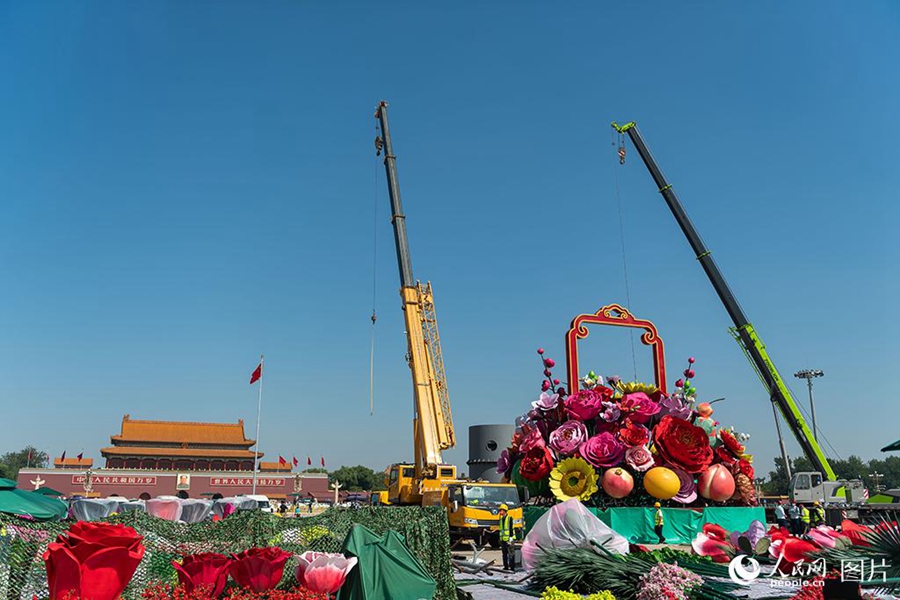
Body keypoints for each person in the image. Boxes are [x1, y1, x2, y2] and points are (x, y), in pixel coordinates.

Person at [497, 504, 516, 571]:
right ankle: (506, 566)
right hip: (503, 540)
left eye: (501, 510)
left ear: (505, 511)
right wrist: (500, 538)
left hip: (509, 539)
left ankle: (512, 567)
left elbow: (511, 528)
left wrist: (510, 537)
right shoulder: (501, 519)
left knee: (511, 553)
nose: (500, 512)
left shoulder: (509, 518)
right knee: (504, 554)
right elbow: (501, 530)